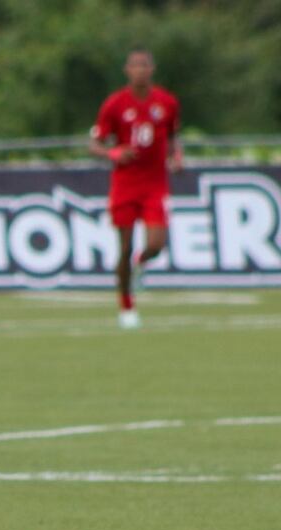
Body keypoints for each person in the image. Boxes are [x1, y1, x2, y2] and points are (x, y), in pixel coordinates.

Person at [89, 47, 181, 330]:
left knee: (157, 243)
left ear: (152, 69)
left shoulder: (166, 102)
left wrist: (176, 156)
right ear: (127, 70)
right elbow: (95, 144)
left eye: (145, 65)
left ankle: (142, 263)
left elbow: (174, 137)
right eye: (135, 65)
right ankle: (126, 307)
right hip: (126, 185)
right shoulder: (115, 104)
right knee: (124, 246)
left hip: (155, 184)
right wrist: (114, 154)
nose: (140, 70)